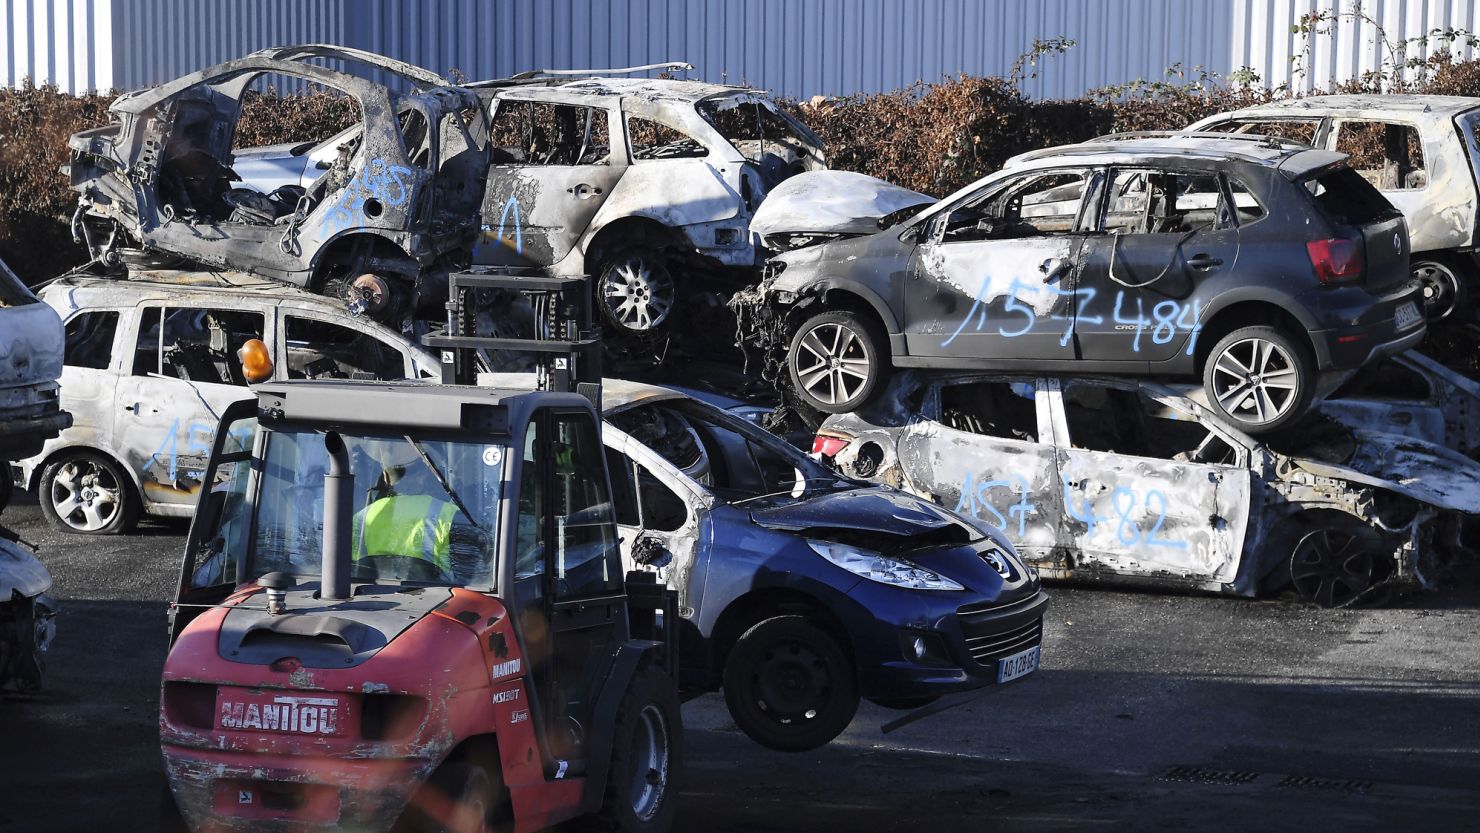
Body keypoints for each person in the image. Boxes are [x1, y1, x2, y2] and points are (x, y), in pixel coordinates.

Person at [352, 461, 457, 578]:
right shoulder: (449, 515)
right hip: (437, 593)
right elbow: (468, 576)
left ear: (387, 480)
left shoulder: (362, 517)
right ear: (426, 478)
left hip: (369, 592)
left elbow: (347, 568)